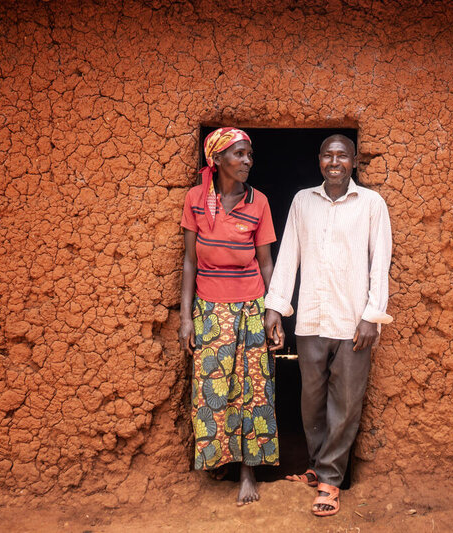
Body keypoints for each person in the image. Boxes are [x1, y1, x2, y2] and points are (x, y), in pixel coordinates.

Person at [264, 134, 392, 517]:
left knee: (346, 403)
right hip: (311, 320)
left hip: (353, 322)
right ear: (319, 160)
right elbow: (288, 255)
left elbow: (379, 263)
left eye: (342, 155)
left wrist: (372, 316)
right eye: (328, 155)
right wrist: (276, 307)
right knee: (311, 403)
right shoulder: (304, 201)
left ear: (353, 161)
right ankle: (316, 467)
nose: (334, 161)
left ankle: (331, 480)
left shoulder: (371, 204)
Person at [178, 127, 279, 506]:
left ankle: (248, 473)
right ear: (216, 159)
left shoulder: (260, 202)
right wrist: (187, 318)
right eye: (239, 155)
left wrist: (274, 313)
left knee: (253, 391)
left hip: (251, 307)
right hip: (209, 308)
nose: (247, 162)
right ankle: (220, 461)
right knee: (214, 390)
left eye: (250, 155)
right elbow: (189, 261)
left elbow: (266, 263)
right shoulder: (195, 200)